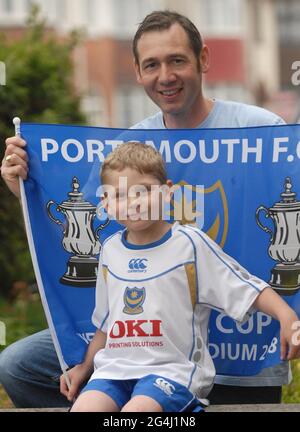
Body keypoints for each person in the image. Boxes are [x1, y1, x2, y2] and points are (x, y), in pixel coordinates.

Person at [0, 10, 293, 407]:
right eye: (151, 65)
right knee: (17, 364)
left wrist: (289, 316)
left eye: (177, 60)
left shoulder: (262, 131)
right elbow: (84, 226)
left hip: (238, 330)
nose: (165, 76)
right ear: (137, 72)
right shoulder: (128, 147)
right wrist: (24, 189)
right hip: (138, 333)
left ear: (203, 59)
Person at [59, 141, 300, 412]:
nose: (133, 202)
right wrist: (85, 367)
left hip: (172, 373)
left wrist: (287, 316)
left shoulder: (190, 244)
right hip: (114, 371)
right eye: (120, 195)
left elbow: (247, 287)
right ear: (105, 202)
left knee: (136, 412)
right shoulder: (110, 249)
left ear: (168, 191)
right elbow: (106, 323)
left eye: (144, 191)